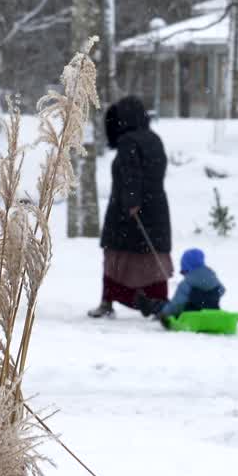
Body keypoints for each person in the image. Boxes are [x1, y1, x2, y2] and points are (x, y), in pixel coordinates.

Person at [88, 95, 172, 318]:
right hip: (157, 209)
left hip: (126, 212)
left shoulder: (128, 142)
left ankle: (110, 301)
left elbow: (130, 174)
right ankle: (159, 301)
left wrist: (132, 203)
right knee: (151, 259)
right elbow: (156, 171)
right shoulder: (154, 138)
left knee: (116, 257)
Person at [136, 248, 225, 327]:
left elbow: (177, 304)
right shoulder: (213, 278)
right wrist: (207, 298)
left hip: (190, 315)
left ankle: (149, 305)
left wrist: (163, 314)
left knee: (165, 305)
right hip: (211, 311)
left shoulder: (187, 284)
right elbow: (222, 290)